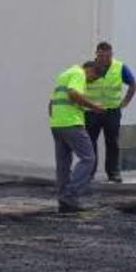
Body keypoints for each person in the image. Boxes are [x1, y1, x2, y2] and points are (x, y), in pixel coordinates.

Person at [49, 61, 105, 213]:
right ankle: (70, 194)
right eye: (92, 78)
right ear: (90, 70)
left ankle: (64, 200)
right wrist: (95, 107)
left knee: (63, 164)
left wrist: (55, 119)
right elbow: (73, 93)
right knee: (88, 159)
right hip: (71, 123)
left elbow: (51, 103)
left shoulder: (64, 74)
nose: (89, 82)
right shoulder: (79, 74)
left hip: (57, 124)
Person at [86, 42, 136, 183]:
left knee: (112, 142)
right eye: (101, 55)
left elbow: (133, 84)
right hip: (92, 111)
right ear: (96, 54)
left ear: (112, 54)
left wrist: (125, 102)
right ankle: (89, 173)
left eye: (107, 55)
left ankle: (114, 173)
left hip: (112, 111)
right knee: (90, 142)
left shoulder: (119, 67)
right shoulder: (89, 67)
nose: (104, 59)